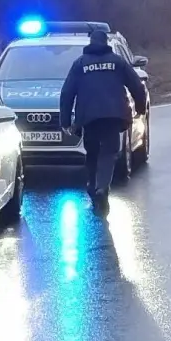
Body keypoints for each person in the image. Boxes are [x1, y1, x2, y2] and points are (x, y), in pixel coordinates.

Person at [58, 28, 147, 215]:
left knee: (92, 152)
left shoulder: (80, 64)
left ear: (90, 43)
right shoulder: (117, 62)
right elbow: (137, 86)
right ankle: (102, 188)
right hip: (113, 116)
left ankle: (92, 185)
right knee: (109, 152)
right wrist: (140, 108)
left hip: (88, 118)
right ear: (106, 43)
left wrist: (65, 120)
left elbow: (67, 93)